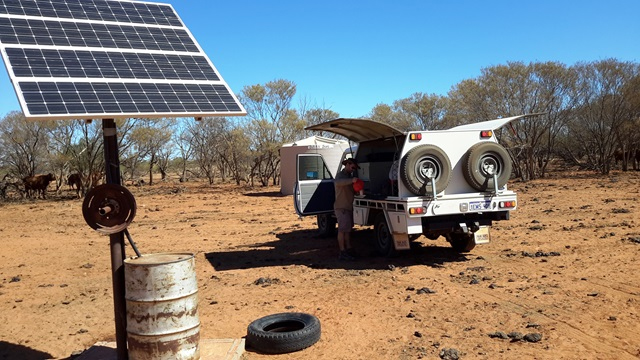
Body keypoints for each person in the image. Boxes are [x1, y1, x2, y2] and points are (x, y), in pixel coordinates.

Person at [334, 158, 360, 260]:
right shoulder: (341, 176)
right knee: (342, 230)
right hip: (341, 208)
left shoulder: (349, 176)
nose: (353, 169)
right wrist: (351, 181)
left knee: (347, 230)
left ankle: (348, 249)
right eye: (353, 167)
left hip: (348, 207)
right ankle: (342, 252)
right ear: (348, 164)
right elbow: (337, 182)